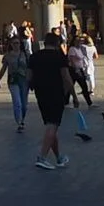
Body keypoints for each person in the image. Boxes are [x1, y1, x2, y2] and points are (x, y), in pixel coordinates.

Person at [27, 29, 75, 170]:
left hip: (41, 94)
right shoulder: (59, 57)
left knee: (50, 125)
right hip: (56, 94)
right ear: (57, 43)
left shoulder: (34, 56)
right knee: (52, 125)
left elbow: (28, 78)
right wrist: (75, 96)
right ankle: (42, 157)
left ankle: (59, 157)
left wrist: (33, 86)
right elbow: (67, 78)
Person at [0, 33, 32, 132]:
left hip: (24, 80)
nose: (16, 45)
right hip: (13, 80)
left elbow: (30, 68)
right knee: (17, 102)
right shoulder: (8, 56)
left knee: (24, 104)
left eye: (17, 43)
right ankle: (19, 122)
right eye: (13, 43)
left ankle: (22, 118)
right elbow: (4, 68)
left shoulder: (26, 54)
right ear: (11, 44)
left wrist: (32, 79)